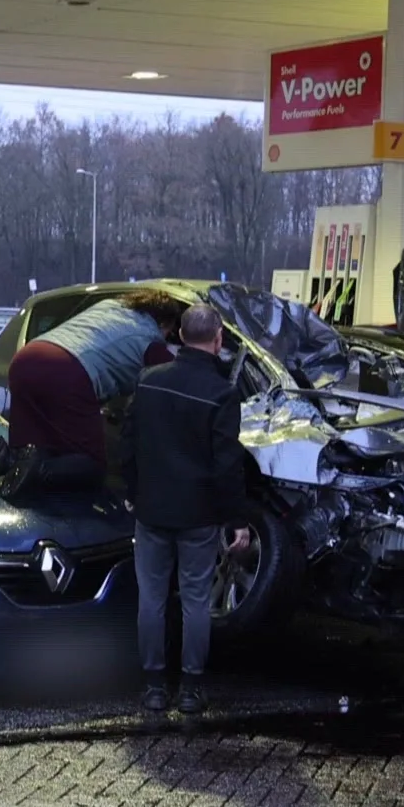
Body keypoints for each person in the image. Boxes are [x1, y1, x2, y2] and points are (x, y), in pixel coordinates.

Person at [125, 305, 254, 715]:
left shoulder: (148, 381)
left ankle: (153, 687)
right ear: (217, 341)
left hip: (151, 511)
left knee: (152, 598)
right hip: (198, 515)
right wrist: (237, 520)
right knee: (196, 600)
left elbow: (129, 444)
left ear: (179, 336)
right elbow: (226, 465)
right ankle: (191, 690)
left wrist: (133, 491)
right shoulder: (222, 394)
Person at [0, 289, 182, 496]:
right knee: (91, 465)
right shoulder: (150, 338)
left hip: (26, 359)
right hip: (66, 371)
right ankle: (40, 470)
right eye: (169, 332)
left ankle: (6, 459)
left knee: (31, 449)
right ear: (164, 323)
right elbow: (179, 377)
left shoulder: (108, 306)